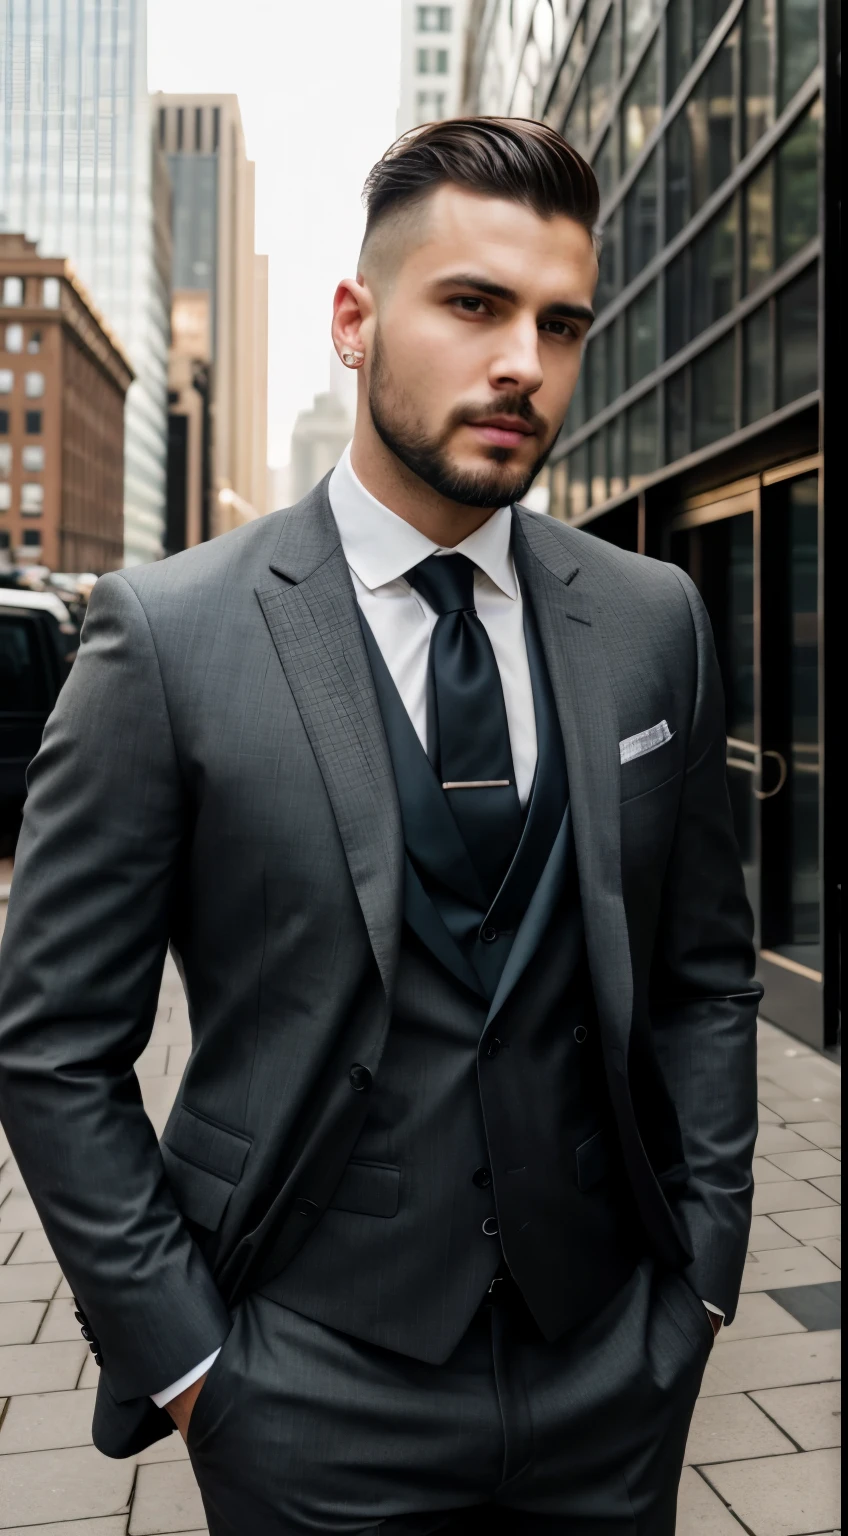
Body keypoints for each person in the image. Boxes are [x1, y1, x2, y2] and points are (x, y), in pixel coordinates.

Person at [0, 119, 761, 1534]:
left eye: (560, 322)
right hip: (304, 1396)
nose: (523, 362)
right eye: (472, 305)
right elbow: (52, 1048)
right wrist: (192, 1367)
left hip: (615, 1376)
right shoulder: (169, 639)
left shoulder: (653, 622)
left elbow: (705, 976)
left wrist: (704, 1274)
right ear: (356, 322)